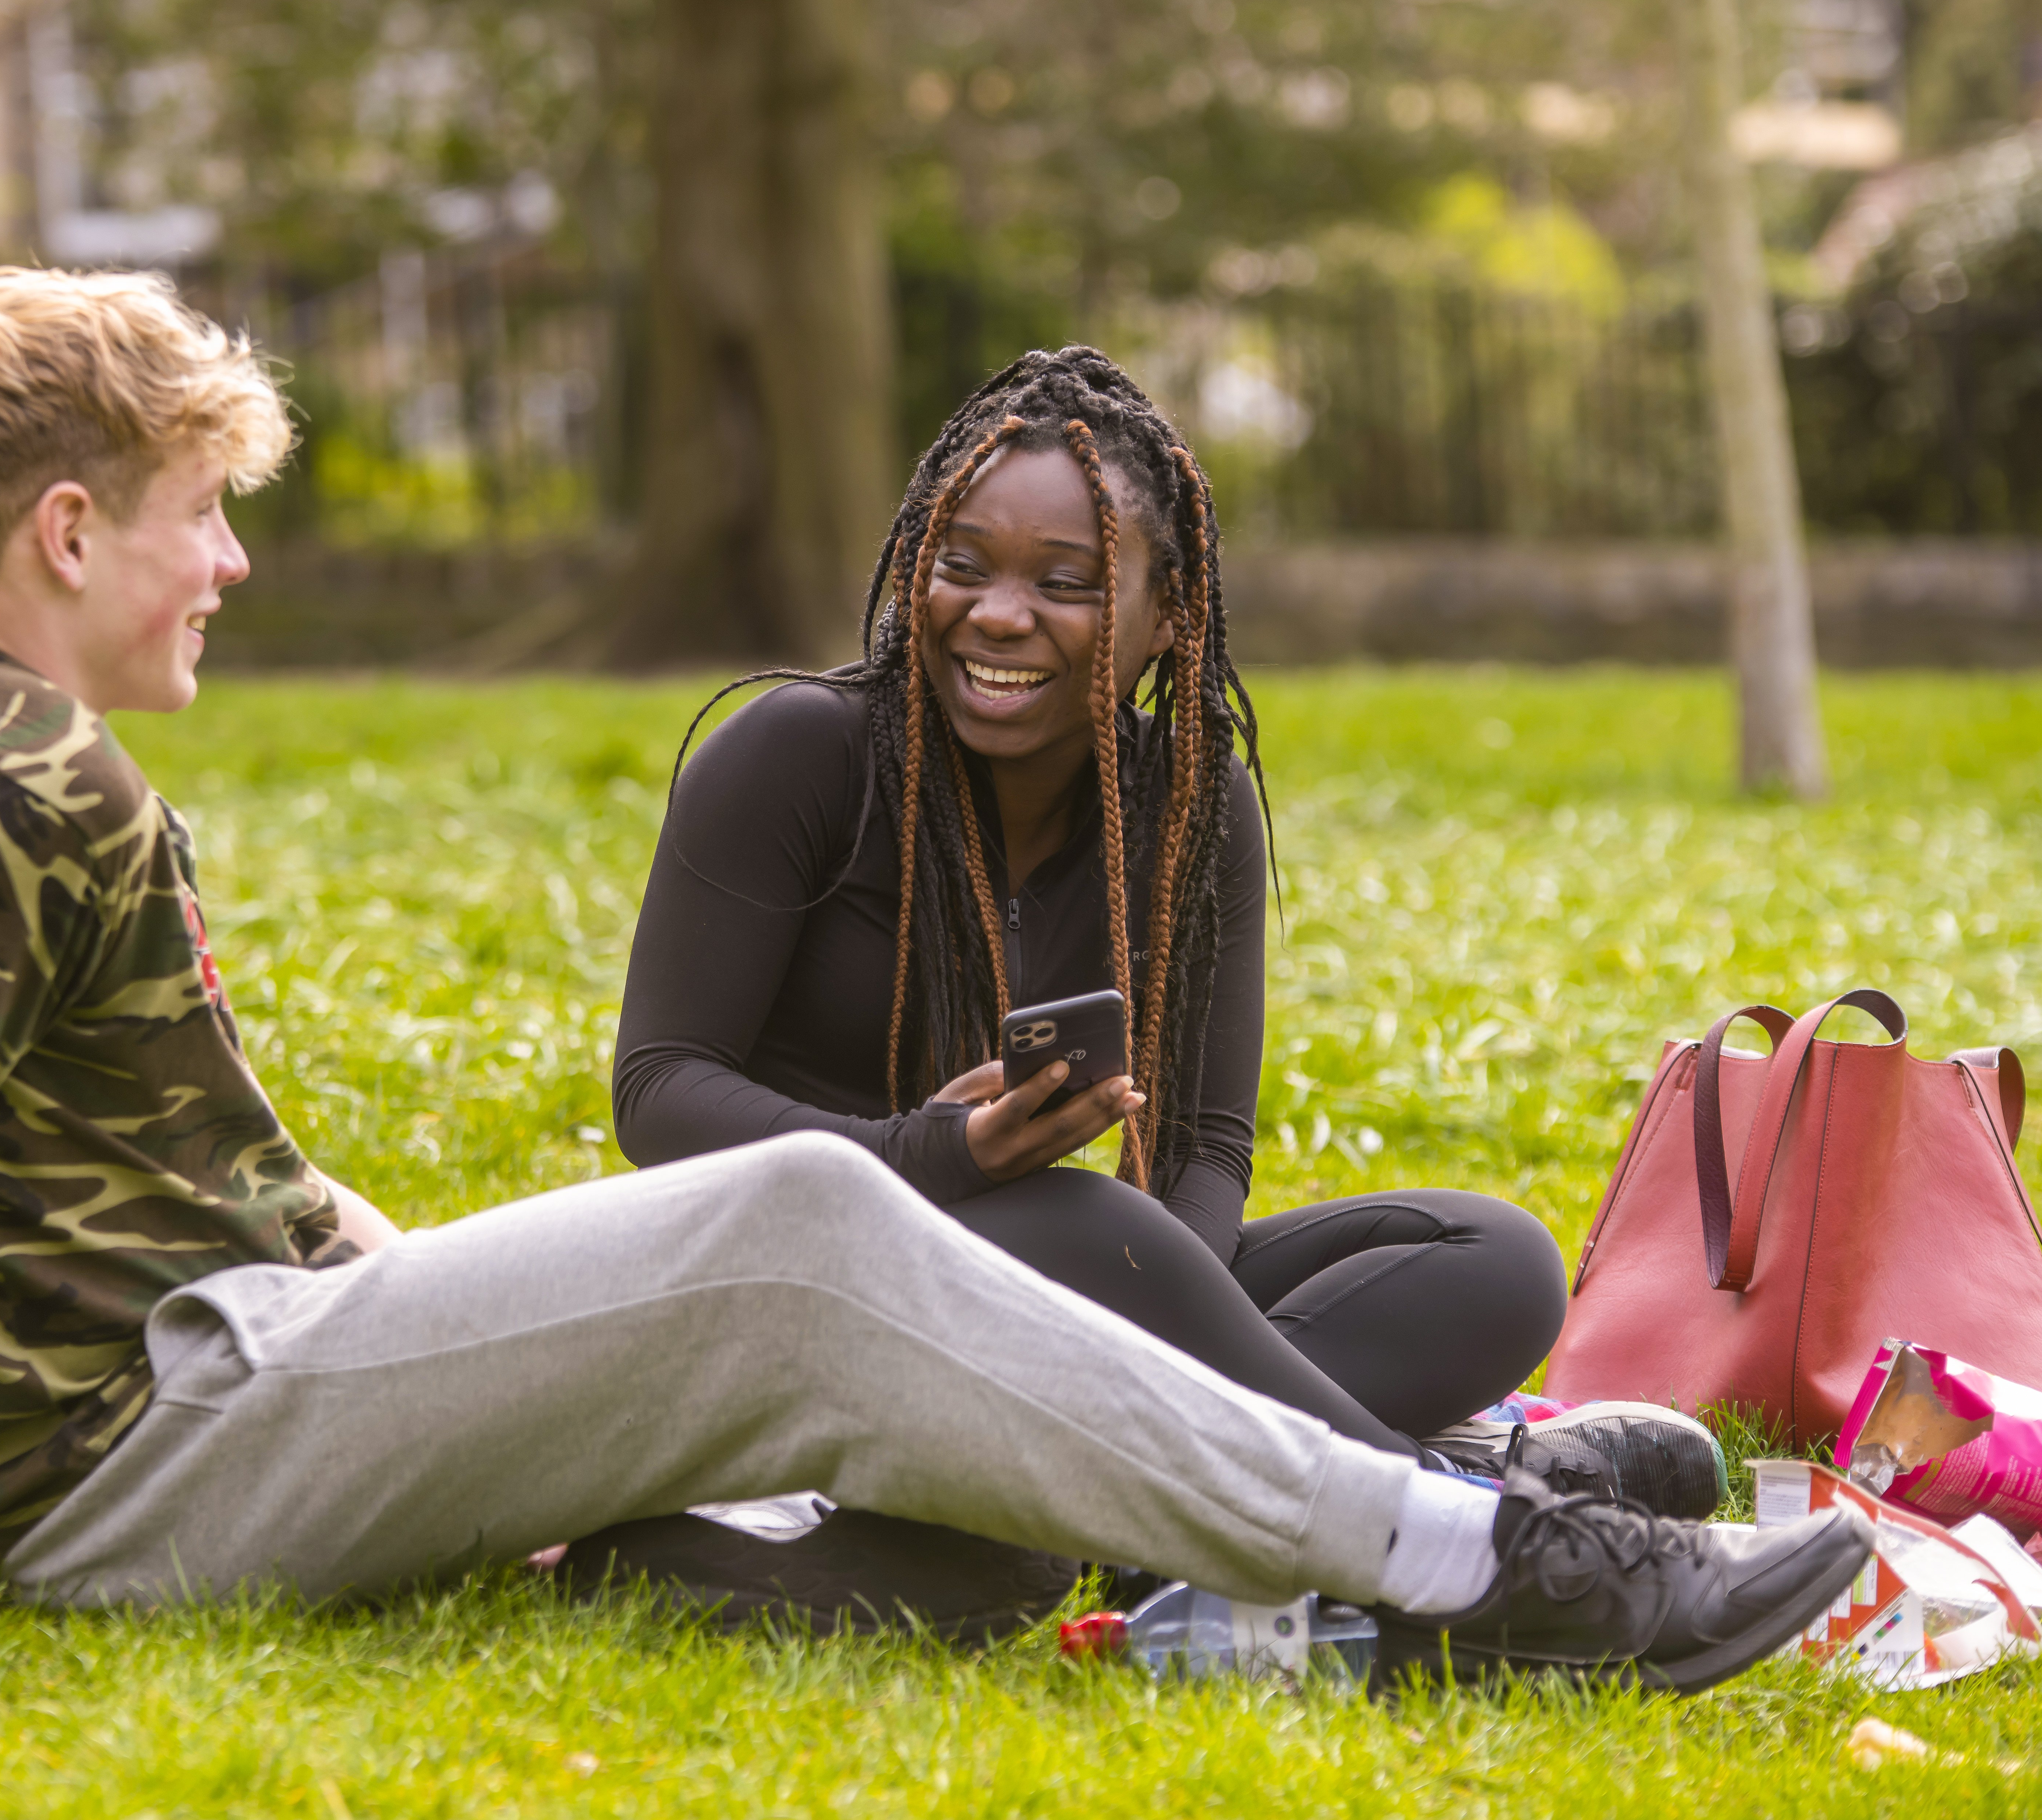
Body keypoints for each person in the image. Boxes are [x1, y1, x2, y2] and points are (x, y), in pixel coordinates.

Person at [0, 271, 1868, 1699]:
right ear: (70, 523)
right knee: (801, 1223)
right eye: (209, 519)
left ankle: (1380, 1544)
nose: (228, 566)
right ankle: (1462, 1563)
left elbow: (149, 1166)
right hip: (130, 1481)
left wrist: (384, 1265)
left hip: (232, 1365)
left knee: (812, 1282)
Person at [614, 346, 1712, 1512]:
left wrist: (1154, 1296)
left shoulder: (1187, 805)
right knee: (1078, 1218)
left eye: (1067, 582)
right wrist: (946, 1158)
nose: (996, 614)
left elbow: (1204, 1155)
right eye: (961, 566)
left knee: (1495, 1261)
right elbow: (660, 1094)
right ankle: (1451, 1514)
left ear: (1171, 615)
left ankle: (1117, 1481)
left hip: (1049, 1290)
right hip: (797, 1282)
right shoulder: (798, 757)